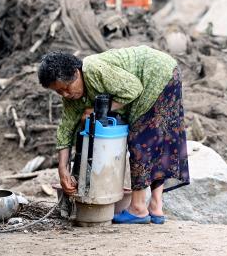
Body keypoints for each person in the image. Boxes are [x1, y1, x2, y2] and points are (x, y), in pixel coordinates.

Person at [37, 46, 190, 224]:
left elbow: (133, 89)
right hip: (168, 72)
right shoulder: (71, 97)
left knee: (140, 140)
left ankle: (138, 208)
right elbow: (65, 129)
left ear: (76, 73)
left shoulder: (94, 70)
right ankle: (156, 208)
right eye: (58, 92)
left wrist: (97, 109)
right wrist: (63, 169)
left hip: (156, 73)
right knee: (156, 141)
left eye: (67, 87)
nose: (66, 94)